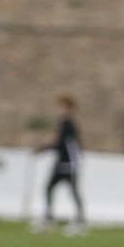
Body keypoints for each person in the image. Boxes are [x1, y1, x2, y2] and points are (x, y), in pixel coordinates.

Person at [33, 95, 85, 234]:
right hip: (60, 163)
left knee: (73, 192)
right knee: (49, 188)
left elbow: (64, 144)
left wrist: (42, 149)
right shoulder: (63, 123)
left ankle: (79, 221)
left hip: (69, 164)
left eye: (63, 106)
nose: (60, 109)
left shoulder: (69, 124)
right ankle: (49, 218)